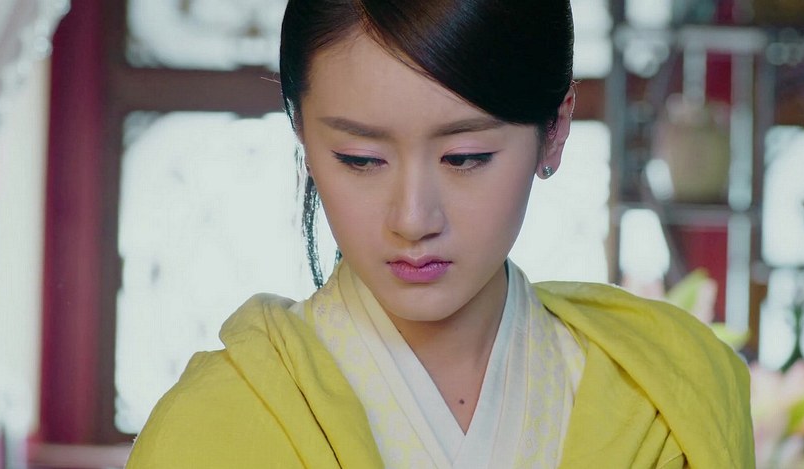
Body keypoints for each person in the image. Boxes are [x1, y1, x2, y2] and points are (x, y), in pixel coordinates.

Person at [126, 0, 755, 467]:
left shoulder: (669, 397)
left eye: (465, 157)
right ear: (303, 137)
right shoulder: (210, 425)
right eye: (360, 159)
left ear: (556, 130)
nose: (413, 219)